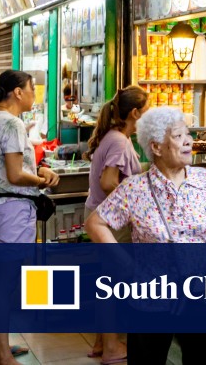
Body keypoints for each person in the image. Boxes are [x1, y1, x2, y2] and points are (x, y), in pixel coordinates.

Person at [85, 107, 206, 365]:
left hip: (199, 294)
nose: (188, 141)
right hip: (151, 300)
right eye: (178, 136)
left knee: (201, 358)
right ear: (157, 148)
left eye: (188, 134)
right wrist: (127, 265)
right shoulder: (135, 188)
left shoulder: (205, 180)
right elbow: (95, 223)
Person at [0, 70, 58, 365]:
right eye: (33, 89)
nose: (36, 94)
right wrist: (42, 180)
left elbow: (2, 169)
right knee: (6, 284)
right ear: (18, 92)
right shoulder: (11, 123)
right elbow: (14, 174)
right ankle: (4, 355)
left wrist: (36, 172)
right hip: (12, 210)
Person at [82, 86, 148, 363]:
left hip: (101, 216)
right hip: (111, 222)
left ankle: (101, 343)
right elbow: (109, 182)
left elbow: (119, 175)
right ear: (135, 113)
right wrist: (135, 206)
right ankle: (111, 348)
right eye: (147, 110)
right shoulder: (120, 141)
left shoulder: (115, 137)